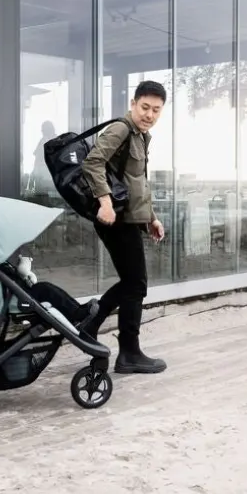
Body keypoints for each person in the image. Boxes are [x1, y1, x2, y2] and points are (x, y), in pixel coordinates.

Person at [78, 81, 168, 374]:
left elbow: (136, 183)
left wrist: (151, 218)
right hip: (115, 219)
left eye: (156, 110)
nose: (149, 114)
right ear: (133, 103)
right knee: (136, 283)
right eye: (145, 107)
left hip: (128, 218)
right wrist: (104, 202)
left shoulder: (141, 136)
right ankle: (128, 352)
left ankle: (89, 324)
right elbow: (92, 163)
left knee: (132, 282)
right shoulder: (121, 129)